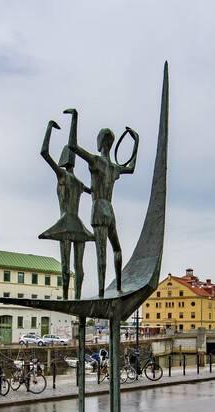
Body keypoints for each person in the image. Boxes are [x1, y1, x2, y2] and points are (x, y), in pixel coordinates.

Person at [67, 108, 139, 297]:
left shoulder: (96, 161)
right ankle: (118, 287)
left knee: (101, 254)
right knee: (117, 249)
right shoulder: (114, 168)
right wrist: (136, 142)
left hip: (98, 208)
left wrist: (75, 117)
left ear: (100, 143)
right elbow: (131, 168)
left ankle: (100, 292)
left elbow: (72, 146)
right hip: (110, 209)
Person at [39, 111, 94, 300]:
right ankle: (77, 297)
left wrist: (49, 127)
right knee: (79, 267)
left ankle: (65, 297)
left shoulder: (62, 176)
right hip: (78, 224)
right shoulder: (79, 183)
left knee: (66, 265)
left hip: (66, 223)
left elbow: (44, 153)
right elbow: (95, 191)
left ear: (63, 161)